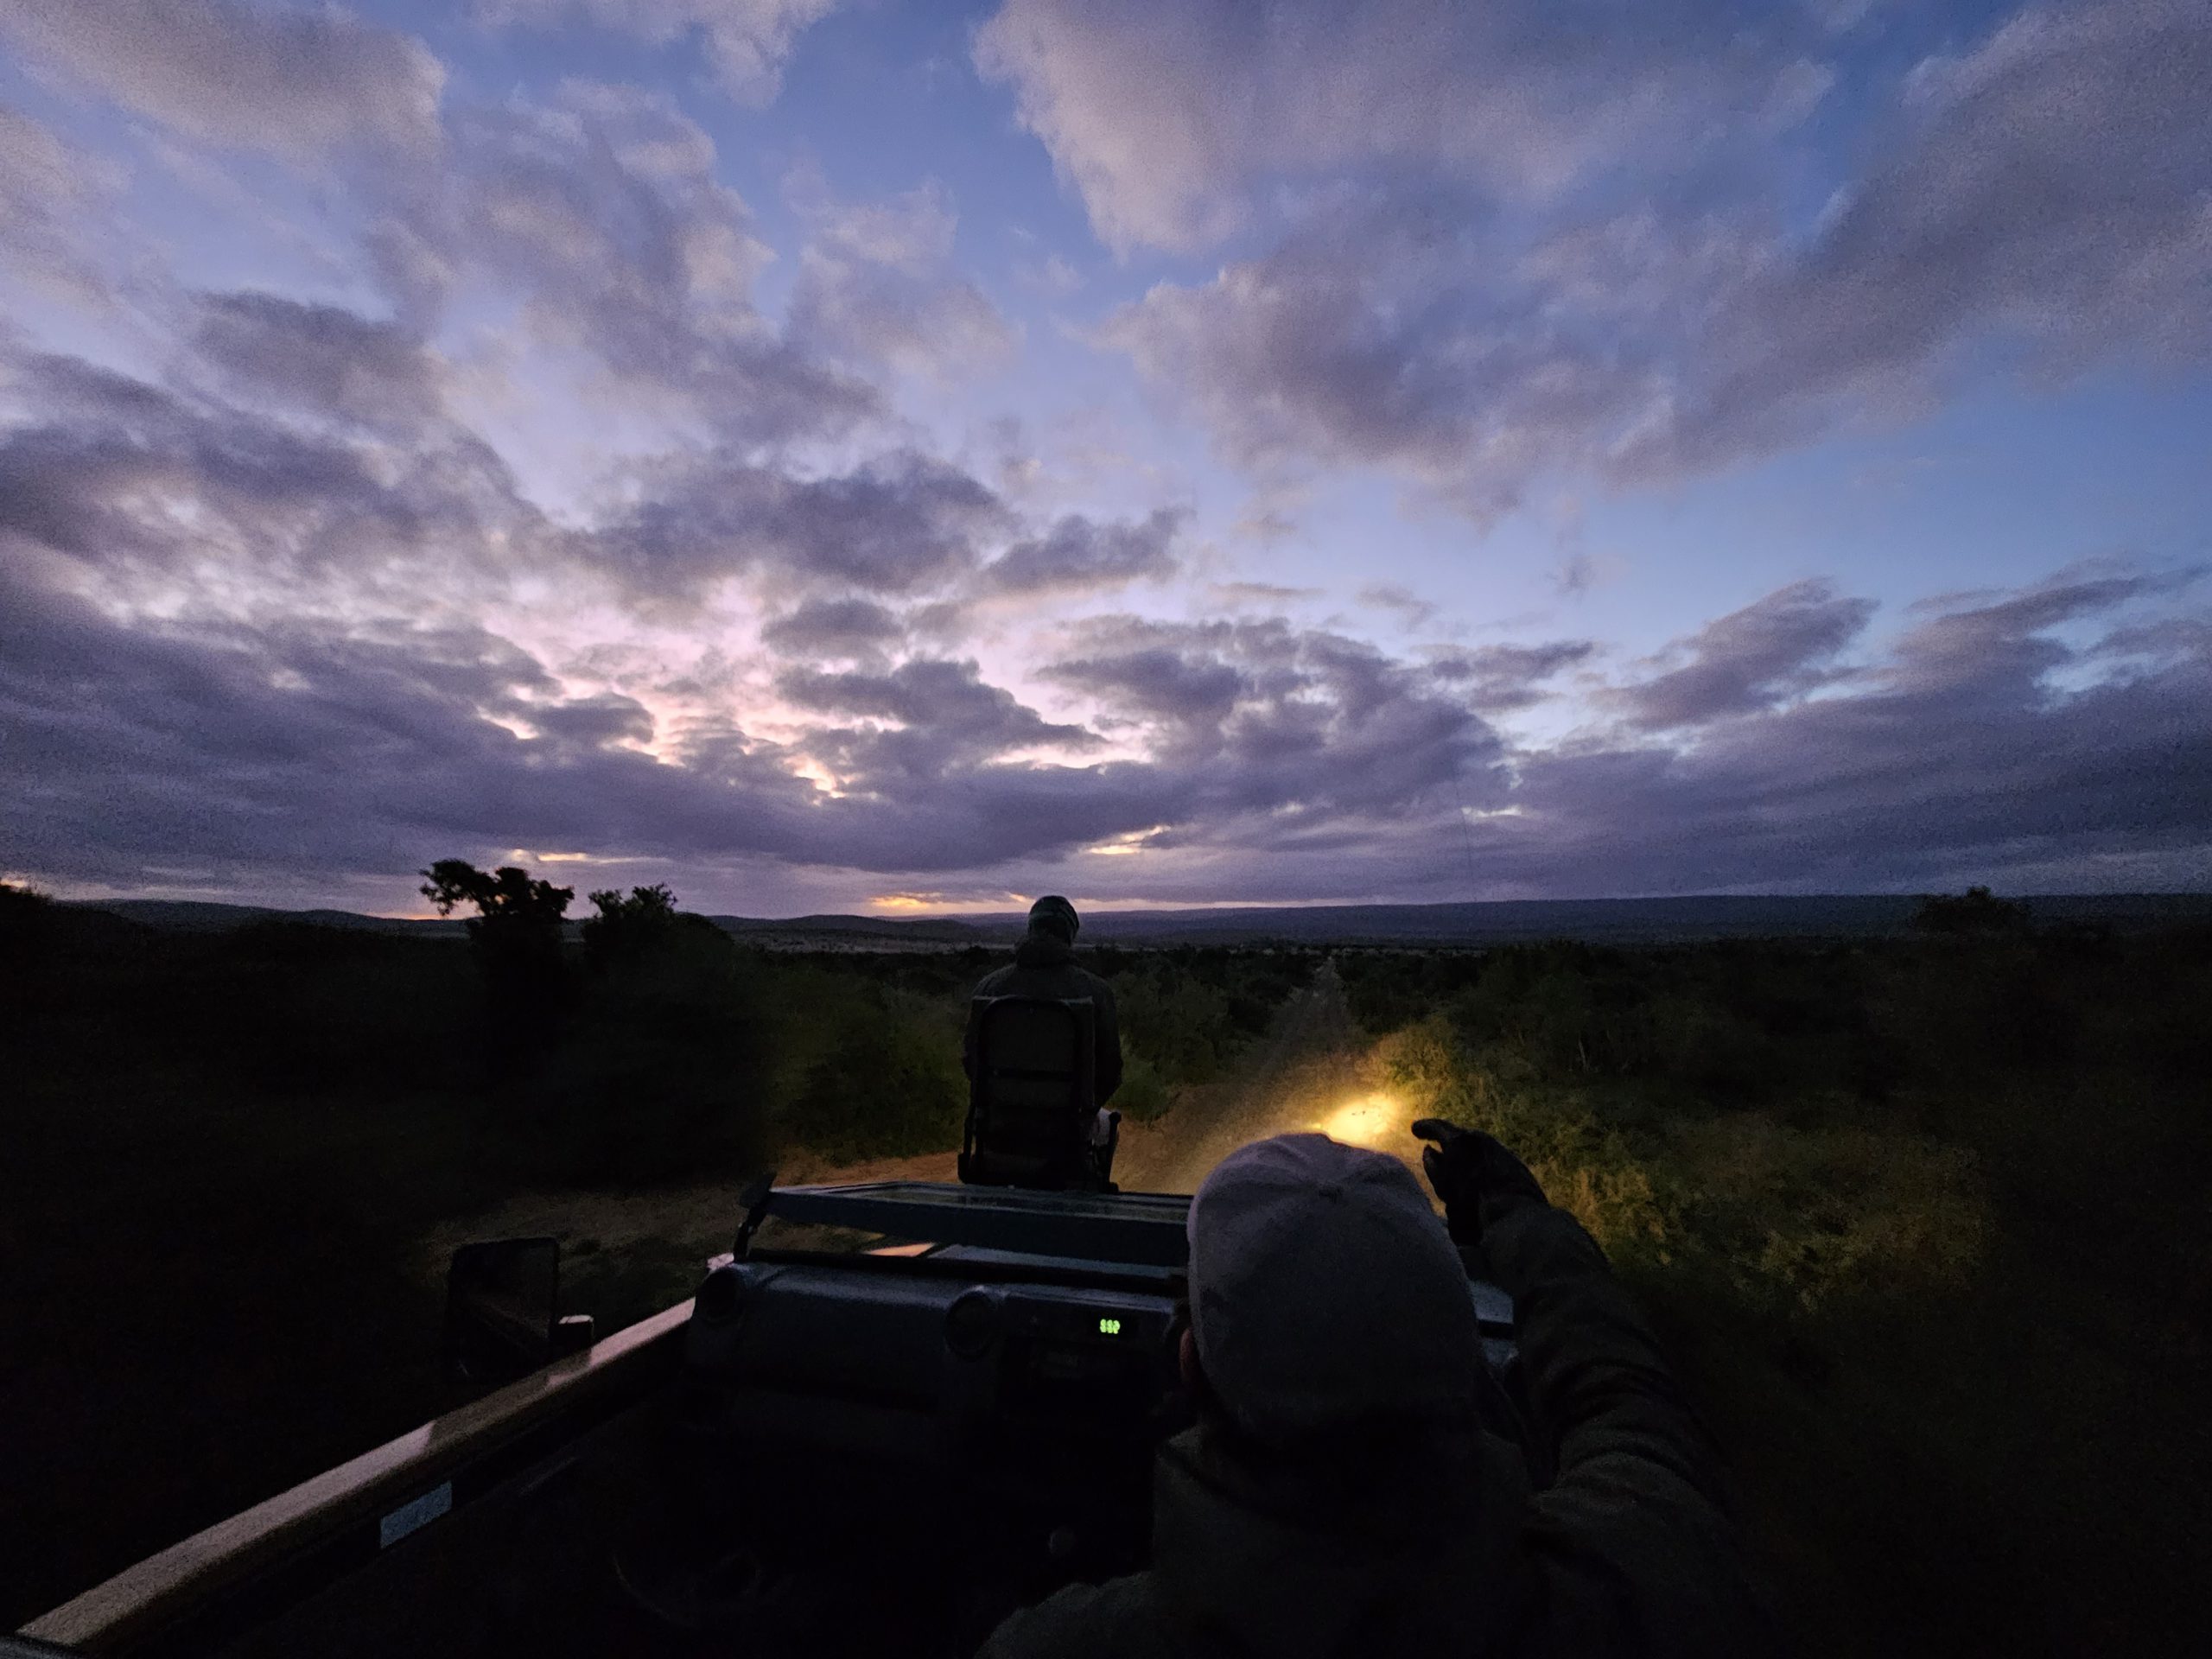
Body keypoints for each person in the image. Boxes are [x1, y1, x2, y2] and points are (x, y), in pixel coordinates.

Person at [976, 1126, 1770, 1657]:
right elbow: (1624, 1397)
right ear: (1466, 1371)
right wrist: (1520, 1219)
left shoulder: (1066, 1643)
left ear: (1189, 1365)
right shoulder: (1639, 1583)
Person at [963, 893, 1123, 1114]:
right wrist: (1085, 1111)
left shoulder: (988, 987)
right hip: (1068, 1131)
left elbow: (971, 1061)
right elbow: (1111, 1071)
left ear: (1031, 929)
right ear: (1069, 935)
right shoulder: (1097, 992)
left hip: (998, 1126)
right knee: (1107, 1125)